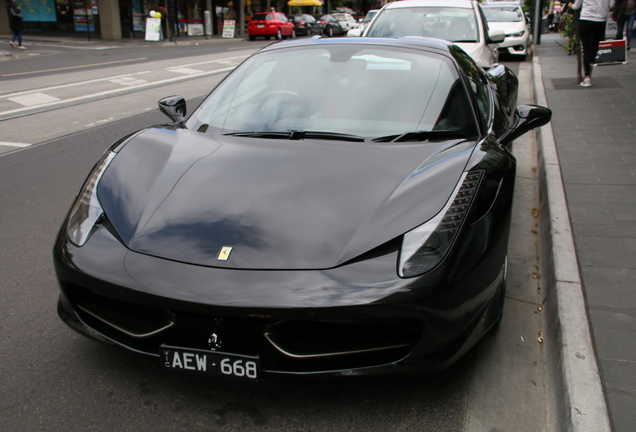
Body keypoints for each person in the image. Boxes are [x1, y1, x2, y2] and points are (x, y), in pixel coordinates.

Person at [570, 0, 616, 87]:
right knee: (595, 44)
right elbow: (612, 4)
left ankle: (587, 77)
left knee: (586, 48)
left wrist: (570, 5)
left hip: (585, 19)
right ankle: (590, 64)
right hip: (600, 20)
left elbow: (576, 6)